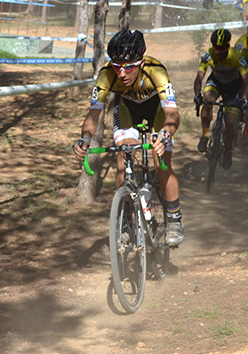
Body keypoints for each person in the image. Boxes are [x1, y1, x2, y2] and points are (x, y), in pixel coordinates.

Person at [73, 30, 185, 247]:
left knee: (161, 162)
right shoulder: (106, 74)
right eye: (117, 66)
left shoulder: (156, 71)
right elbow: (94, 114)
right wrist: (85, 138)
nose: (122, 73)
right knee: (123, 160)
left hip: (158, 113)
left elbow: (172, 114)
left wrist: (165, 134)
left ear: (141, 63)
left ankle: (174, 220)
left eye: (129, 67)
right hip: (127, 111)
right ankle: (125, 221)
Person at [193, 28, 248, 170]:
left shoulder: (237, 56)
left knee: (230, 121)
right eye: (216, 48)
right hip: (216, 82)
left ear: (228, 47)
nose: (218, 52)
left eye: (222, 48)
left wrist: (244, 98)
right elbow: (199, 78)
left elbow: (247, 81)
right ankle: (205, 134)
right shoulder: (208, 55)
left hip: (234, 87)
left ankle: (228, 150)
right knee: (207, 101)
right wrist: (197, 94)